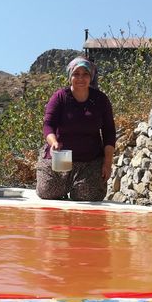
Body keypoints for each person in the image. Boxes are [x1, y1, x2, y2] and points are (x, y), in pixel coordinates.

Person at [36, 57, 116, 201]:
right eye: (76, 74)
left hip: (90, 160)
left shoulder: (101, 100)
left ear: (91, 77)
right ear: (70, 76)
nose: (80, 78)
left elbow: (109, 132)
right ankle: (62, 184)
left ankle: (77, 186)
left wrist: (108, 163)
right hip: (61, 158)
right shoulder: (60, 97)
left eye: (85, 74)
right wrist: (53, 142)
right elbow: (48, 125)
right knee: (47, 192)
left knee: (88, 196)